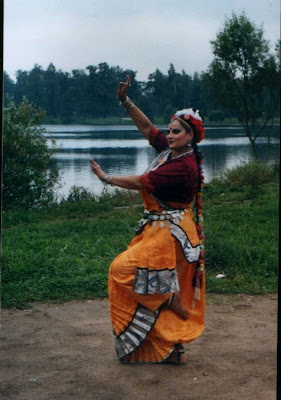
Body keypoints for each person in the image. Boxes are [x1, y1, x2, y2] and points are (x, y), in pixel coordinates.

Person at [90, 75, 206, 364]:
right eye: (169, 130)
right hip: (162, 230)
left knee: (122, 270)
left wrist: (106, 178)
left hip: (172, 235)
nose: (169, 135)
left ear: (190, 135)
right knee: (158, 281)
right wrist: (125, 101)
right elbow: (146, 127)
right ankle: (170, 350)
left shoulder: (183, 167)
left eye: (176, 132)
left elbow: (142, 181)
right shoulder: (170, 152)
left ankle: (168, 300)